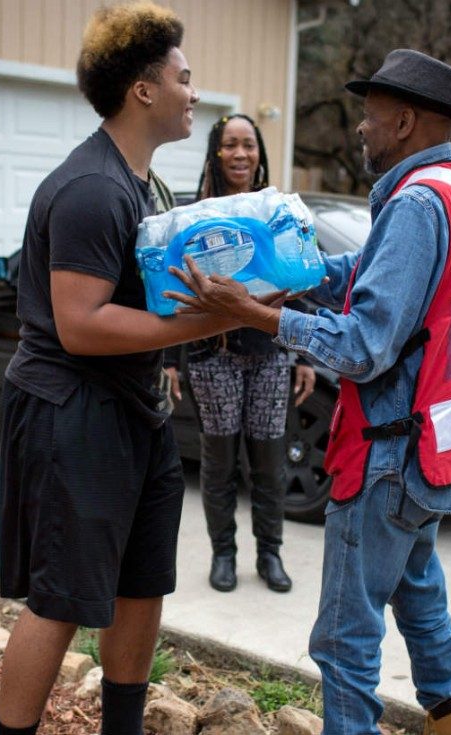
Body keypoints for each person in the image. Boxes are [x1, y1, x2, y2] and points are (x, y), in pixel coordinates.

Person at [165, 49, 451, 735]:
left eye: (370, 118)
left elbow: (366, 346)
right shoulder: (448, 192)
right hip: (427, 453)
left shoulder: (414, 206)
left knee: (344, 639)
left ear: (403, 121)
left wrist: (256, 313)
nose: (362, 131)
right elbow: (370, 275)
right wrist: (287, 268)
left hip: (387, 459)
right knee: (419, 594)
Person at [0, 5, 259, 734]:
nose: (194, 92)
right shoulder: (91, 188)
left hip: (136, 409)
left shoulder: (145, 186)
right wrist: (215, 319)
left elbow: (152, 292)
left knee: (143, 583)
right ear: (144, 89)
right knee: (61, 596)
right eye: (184, 77)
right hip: (72, 413)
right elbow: (79, 324)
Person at [162, 114, 316, 594]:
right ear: (215, 152)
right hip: (213, 355)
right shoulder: (195, 214)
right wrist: (170, 358)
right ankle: (223, 554)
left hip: (270, 351)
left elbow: (298, 273)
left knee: (268, 461)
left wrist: (306, 351)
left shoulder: (274, 209)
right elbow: (171, 285)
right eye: (230, 145)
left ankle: (269, 554)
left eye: (249, 145)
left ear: (260, 153)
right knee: (220, 460)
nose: (241, 154)